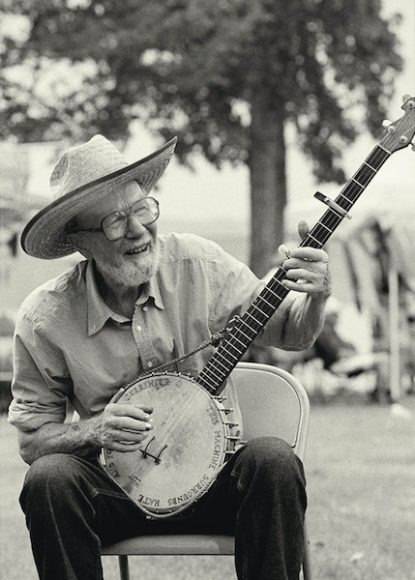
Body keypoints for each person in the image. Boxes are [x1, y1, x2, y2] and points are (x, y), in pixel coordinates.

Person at [8, 134, 331, 580]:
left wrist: (315, 298)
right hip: (120, 492)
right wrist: (94, 429)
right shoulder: (46, 319)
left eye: (141, 208)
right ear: (80, 243)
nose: (138, 229)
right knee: (50, 478)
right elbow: (31, 442)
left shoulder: (201, 265)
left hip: (219, 482)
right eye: (114, 222)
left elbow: (292, 332)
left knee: (274, 460)